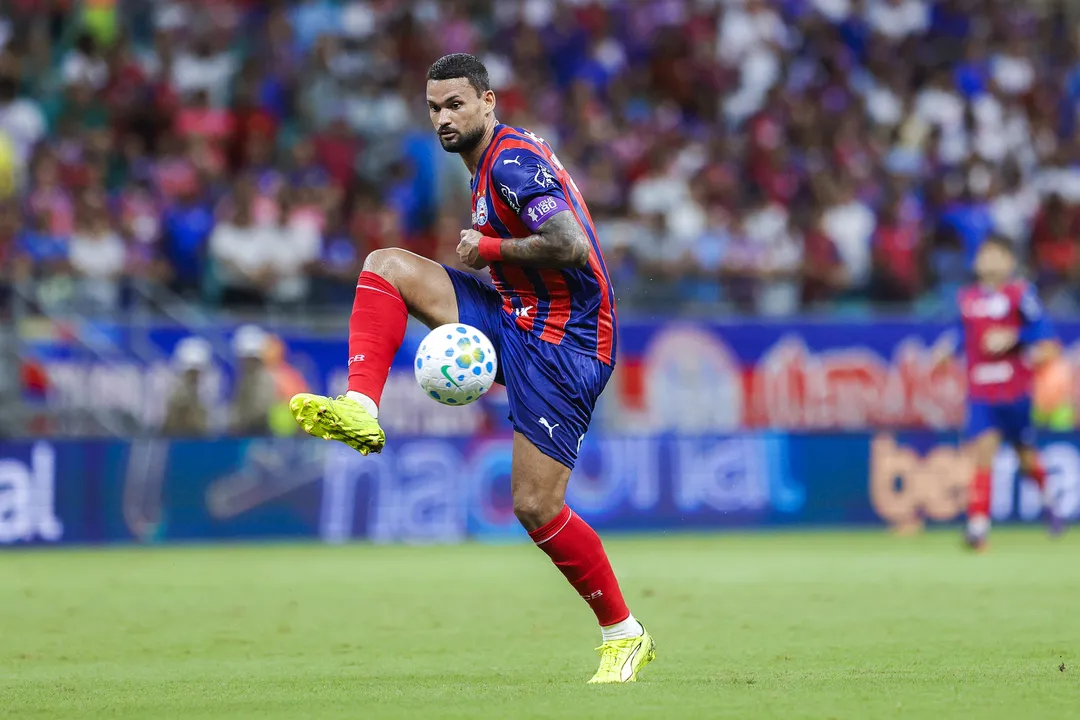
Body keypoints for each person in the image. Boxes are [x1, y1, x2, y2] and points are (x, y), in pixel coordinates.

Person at [289, 53, 653, 684]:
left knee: (536, 506)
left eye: (456, 104)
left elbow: (569, 245)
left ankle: (624, 634)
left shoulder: (511, 161)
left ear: (489, 101)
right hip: (516, 314)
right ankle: (361, 408)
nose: (443, 118)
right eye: (433, 108)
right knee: (386, 266)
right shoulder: (486, 164)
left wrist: (489, 248)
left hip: (565, 345)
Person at [937, 236, 1062, 551]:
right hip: (981, 391)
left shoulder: (1020, 294)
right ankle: (978, 529)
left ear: (1009, 262)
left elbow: (1044, 335)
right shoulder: (966, 298)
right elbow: (962, 335)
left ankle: (1050, 504)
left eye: (995, 255)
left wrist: (1014, 336)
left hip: (1015, 391)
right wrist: (945, 349)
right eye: (983, 255)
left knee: (1026, 458)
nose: (988, 261)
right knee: (982, 452)